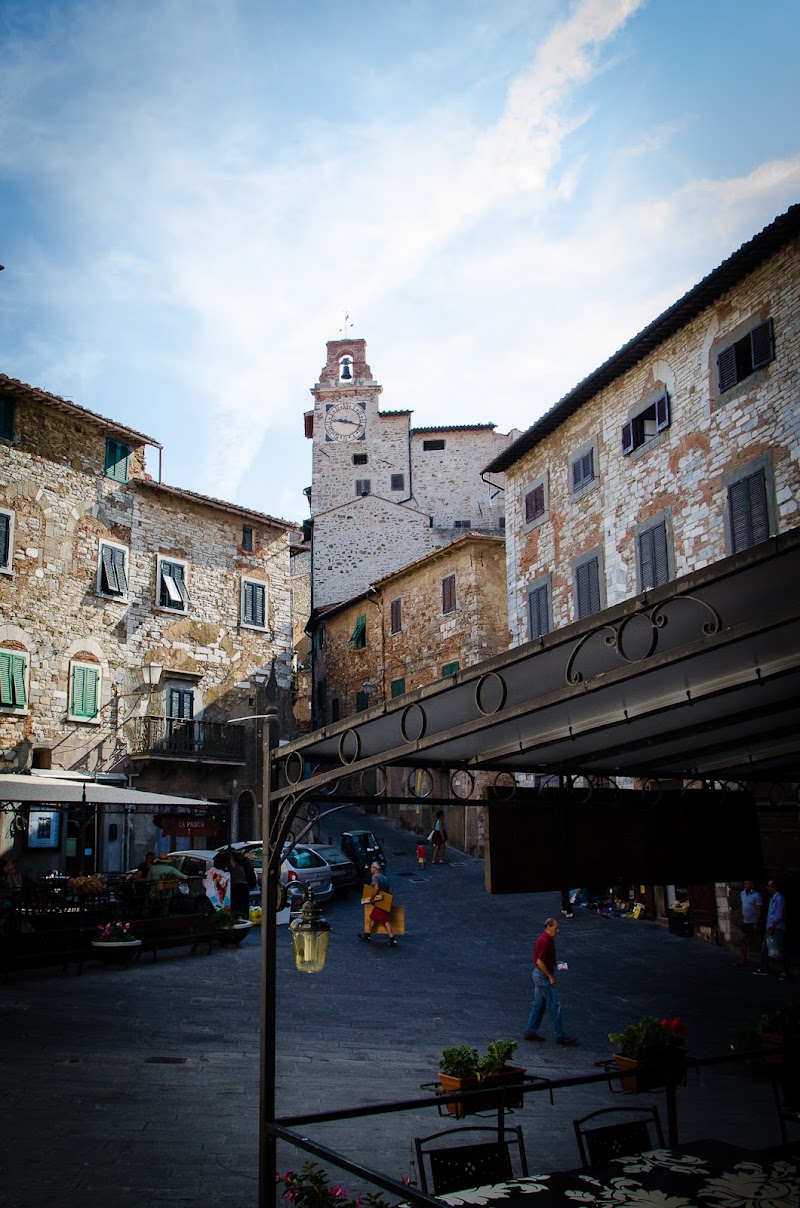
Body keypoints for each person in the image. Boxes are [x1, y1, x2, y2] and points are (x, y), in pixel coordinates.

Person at [523, 917, 577, 1045]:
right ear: (548, 927)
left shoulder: (547, 940)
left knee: (539, 1005)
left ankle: (530, 1031)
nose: (557, 930)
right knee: (555, 1005)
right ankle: (560, 1035)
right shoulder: (545, 941)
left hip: (539, 974)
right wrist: (550, 976)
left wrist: (556, 963)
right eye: (555, 928)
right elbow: (539, 961)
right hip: (543, 976)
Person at [754, 879, 789, 979]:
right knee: (764, 948)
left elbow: (778, 915)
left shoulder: (779, 899)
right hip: (769, 927)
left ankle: (784, 971)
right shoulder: (772, 898)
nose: (767, 888)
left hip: (776, 928)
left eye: (769, 886)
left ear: (774, 887)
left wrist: (772, 927)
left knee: (779, 950)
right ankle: (764, 968)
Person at [359, 860, 397, 946]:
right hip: (384, 901)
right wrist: (388, 900)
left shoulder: (375, 877)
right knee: (373, 917)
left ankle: (392, 938)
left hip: (379, 902)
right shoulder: (383, 877)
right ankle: (367, 934)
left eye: (371, 867)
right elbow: (390, 890)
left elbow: (376, 888)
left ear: (375, 868)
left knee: (385, 920)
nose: (370, 869)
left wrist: (372, 899)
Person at [736, 880, 763, 967]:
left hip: (754, 921)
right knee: (742, 939)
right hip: (746, 921)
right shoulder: (742, 893)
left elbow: (759, 910)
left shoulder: (757, 895)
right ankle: (743, 960)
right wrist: (741, 917)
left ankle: (764, 962)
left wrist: (757, 922)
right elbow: (741, 905)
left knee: (759, 941)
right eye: (744, 883)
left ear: (752, 885)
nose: (745, 885)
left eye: (747, 883)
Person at [227, 848, 256, 918]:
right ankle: (244, 919)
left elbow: (231, 861)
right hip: (245, 886)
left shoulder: (236, 865)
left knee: (236, 906)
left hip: (237, 886)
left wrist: (230, 853)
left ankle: (238, 919)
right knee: (244, 906)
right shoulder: (245, 865)